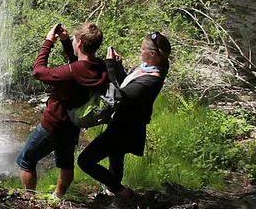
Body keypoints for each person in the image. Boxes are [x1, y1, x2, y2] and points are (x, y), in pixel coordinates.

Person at [16, 22, 108, 198]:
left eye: (74, 39)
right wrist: (66, 42)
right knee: (65, 164)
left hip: (53, 124)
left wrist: (48, 42)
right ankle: (57, 198)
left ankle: (29, 199)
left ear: (80, 42)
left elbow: (38, 72)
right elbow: (79, 64)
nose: (73, 42)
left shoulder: (73, 71)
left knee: (26, 159)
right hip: (72, 126)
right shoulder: (99, 66)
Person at [78, 31, 172, 197]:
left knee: (85, 161)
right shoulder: (147, 68)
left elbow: (120, 95)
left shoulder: (151, 80)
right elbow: (125, 84)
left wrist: (110, 66)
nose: (139, 51)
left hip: (124, 130)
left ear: (152, 53)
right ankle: (114, 196)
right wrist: (117, 65)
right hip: (124, 124)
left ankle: (120, 190)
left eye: (142, 49)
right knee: (116, 158)